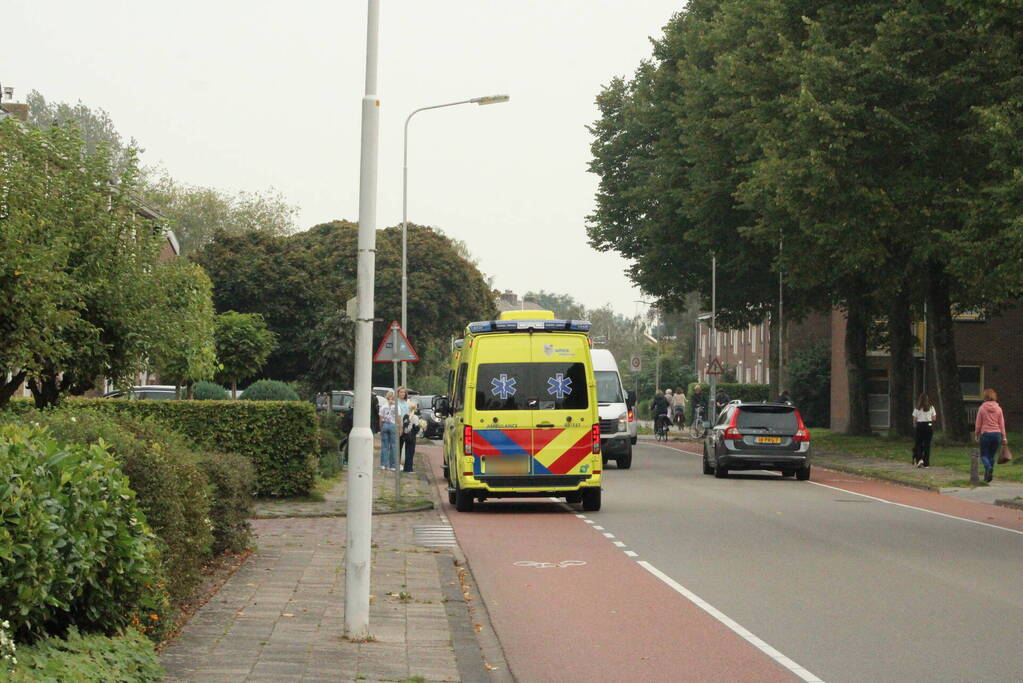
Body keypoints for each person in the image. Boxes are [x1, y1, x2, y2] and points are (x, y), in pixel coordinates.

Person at [975, 388, 1007, 482]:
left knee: (984, 455)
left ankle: (988, 468)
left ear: (985, 397)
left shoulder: (982, 408)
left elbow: (978, 423)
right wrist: (1004, 437)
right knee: (991, 456)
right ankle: (988, 476)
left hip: (986, 434)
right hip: (997, 434)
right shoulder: (999, 409)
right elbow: (1002, 424)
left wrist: (977, 434)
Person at [911, 393, 936, 468]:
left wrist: (917, 422)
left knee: (919, 443)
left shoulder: (917, 408)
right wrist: (928, 419)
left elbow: (914, 419)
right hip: (928, 426)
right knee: (927, 445)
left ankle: (919, 459)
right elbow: (934, 418)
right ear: (927, 399)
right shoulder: (931, 407)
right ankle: (926, 463)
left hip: (920, 426)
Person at [400, 399, 424, 473]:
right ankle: (409, 468)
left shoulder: (405, 416)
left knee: (406, 451)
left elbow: (404, 425)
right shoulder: (415, 417)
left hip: (406, 435)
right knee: (410, 452)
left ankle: (405, 468)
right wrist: (420, 426)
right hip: (412, 436)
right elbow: (416, 428)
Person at [379, 390, 398, 470]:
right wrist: (400, 427)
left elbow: (381, 418)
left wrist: (380, 428)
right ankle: (392, 466)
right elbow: (399, 417)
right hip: (393, 425)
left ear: (386, 397)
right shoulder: (396, 406)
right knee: (393, 446)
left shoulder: (383, 406)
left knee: (384, 446)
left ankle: (383, 464)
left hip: (385, 425)